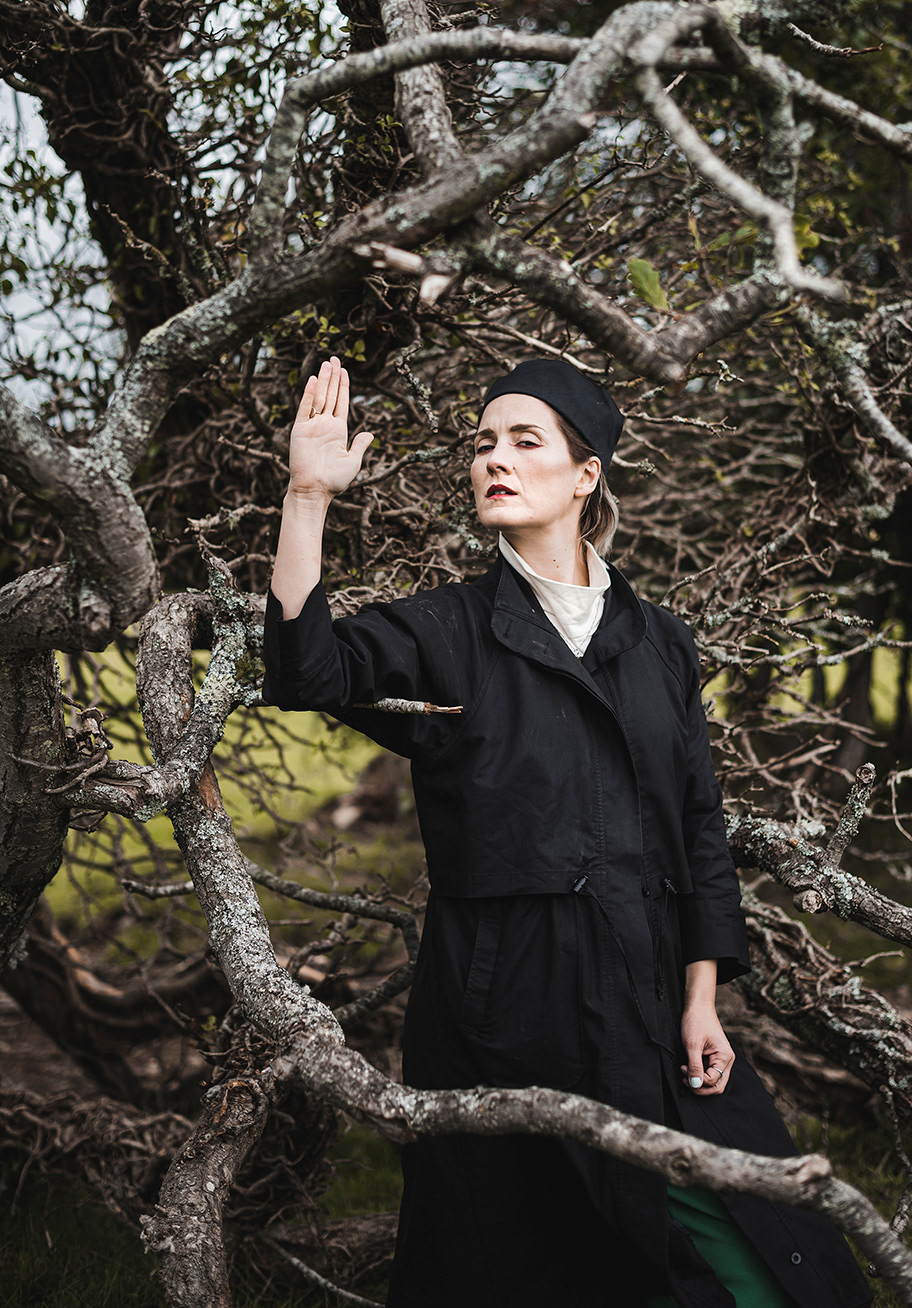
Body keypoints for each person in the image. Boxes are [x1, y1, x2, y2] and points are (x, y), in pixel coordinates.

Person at [263, 355, 873, 1308]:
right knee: (511, 1259)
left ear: (586, 475)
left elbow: (696, 824)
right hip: (499, 999)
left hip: (648, 985)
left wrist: (702, 993)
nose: (492, 460)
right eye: (481, 444)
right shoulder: (448, 629)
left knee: (763, 1250)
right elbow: (305, 672)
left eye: (522, 440)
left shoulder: (660, 640)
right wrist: (307, 493)